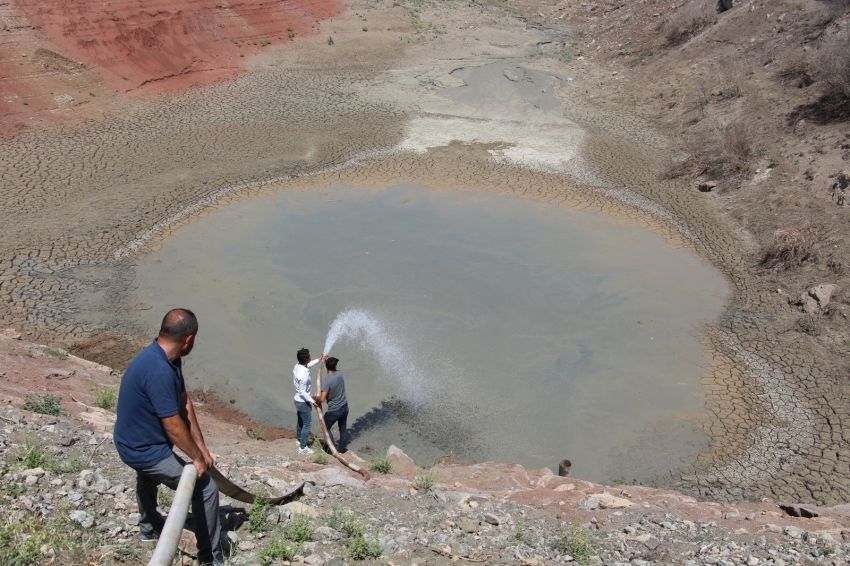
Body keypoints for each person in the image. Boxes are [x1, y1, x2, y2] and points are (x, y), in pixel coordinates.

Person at [113, 309, 223, 566]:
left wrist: (201, 448)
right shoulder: (158, 370)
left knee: (148, 478)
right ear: (189, 338)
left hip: (137, 439)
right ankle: (210, 559)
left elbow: (184, 402)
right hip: (140, 447)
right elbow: (173, 426)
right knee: (206, 489)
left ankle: (148, 528)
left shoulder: (169, 358)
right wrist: (196, 460)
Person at [313, 356, 349, 453]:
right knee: (342, 428)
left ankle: (331, 449)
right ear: (335, 366)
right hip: (345, 407)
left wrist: (314, 397)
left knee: (325, 426)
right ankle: (341, 449)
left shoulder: (327, 381)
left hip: (335, 410)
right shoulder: (339, 373)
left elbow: (322, 399)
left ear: (326, 366)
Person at [293, 348, 325, 454]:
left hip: (297, 400)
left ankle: (298, 440)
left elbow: (308, 365)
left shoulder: (298, 366)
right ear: (307, 359)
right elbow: (303, 392)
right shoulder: (304, 376)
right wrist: (313, 401)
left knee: (300, 421)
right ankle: (303, 447)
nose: (310, 356)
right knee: (307, 424)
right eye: (309, 356)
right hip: (303, 402)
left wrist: (318, 360)